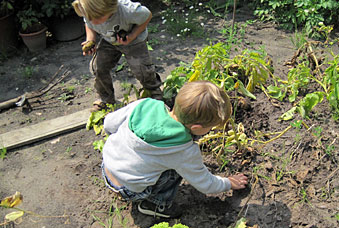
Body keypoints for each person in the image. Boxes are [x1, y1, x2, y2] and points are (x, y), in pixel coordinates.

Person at [101, 81, 248, 218]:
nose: (211, 131)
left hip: (107, 166)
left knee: (162, 162)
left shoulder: (145, 105)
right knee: (175, 171)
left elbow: (108, 124)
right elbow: (205, 184)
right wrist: (228, 183)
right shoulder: (184, 151)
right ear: (197, 128)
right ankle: (156, 204)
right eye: (210, 128)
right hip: (130, 189)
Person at [72, 0, 163, 112]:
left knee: (141, 69)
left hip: (134, 42)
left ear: (110, 8)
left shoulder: (128, 10)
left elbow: (147, 16)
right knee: (98, 67)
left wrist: (132, 35)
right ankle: (106, 99)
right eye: (89, 17)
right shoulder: (89, 10)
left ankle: (154, 92)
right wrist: (91, 40)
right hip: (109, 41)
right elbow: (88, 24)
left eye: (97, 18)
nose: (93, 21)